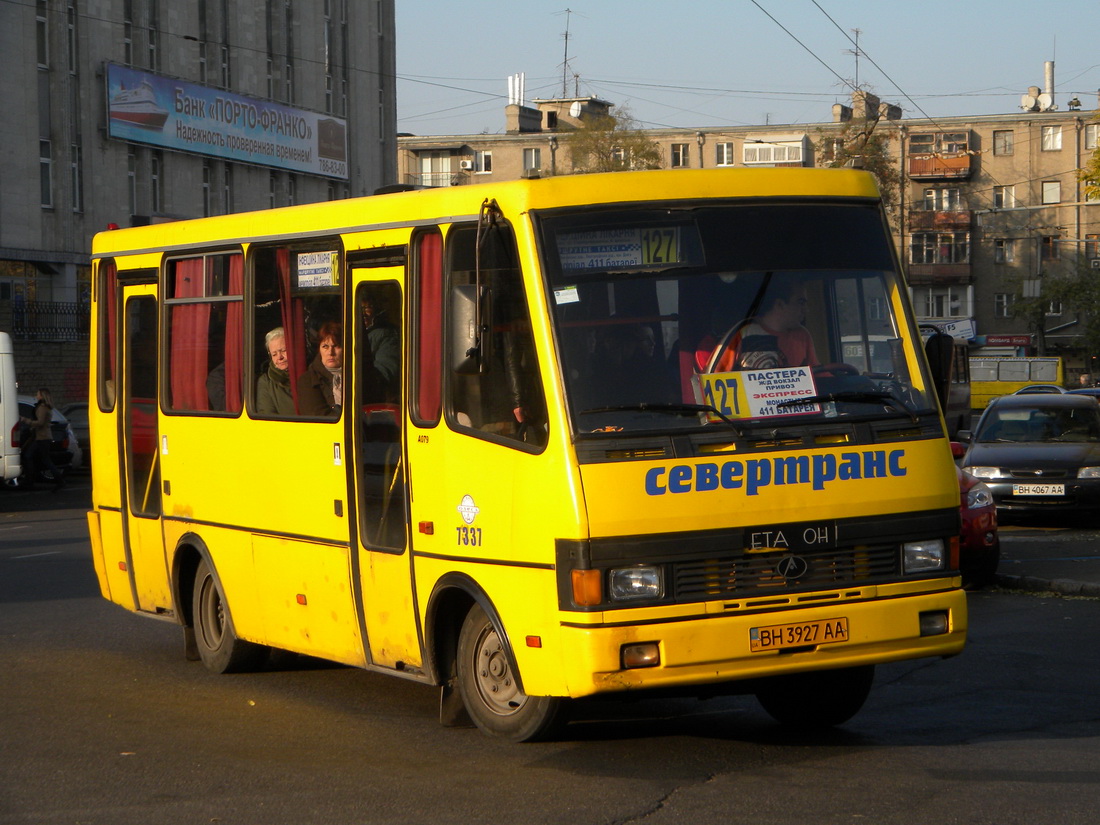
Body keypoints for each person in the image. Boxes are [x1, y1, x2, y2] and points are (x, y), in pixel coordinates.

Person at [710, 275, 818, 371]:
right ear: (779, 304)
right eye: (801, 302)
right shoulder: (743, 332)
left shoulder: (802, 334)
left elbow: (818, 374)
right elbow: (715, 380)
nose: (806, 310)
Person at [360, 291, 399, 404]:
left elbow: (385, 373)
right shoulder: (345, 333)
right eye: (359, 308)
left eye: (367, 308)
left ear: (376, 310)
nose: (363, 313)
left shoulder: (387, 335)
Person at [20, 388, 63, 490]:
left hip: (42, 437)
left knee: (40, 458)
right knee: (32, 456)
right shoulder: (44, 407)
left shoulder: (42, 408)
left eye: (38, 394)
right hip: (41, 436)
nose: (36, 396)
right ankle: (30, 479)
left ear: (42, 396)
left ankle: (58, 480)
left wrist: (25, 420)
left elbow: (40, 422)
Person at [297, 321, 342, 417]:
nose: (330, 352)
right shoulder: (308, 380)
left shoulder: (358, 375)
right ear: (319, 349)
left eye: (336, 346)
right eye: (325, 346)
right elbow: (316, 416)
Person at [256, 327, 295, 416]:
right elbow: (267, 415)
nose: (279, 357)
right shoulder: (266, 382)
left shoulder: (307, 374)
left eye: (284, 351)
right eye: (274, 354)